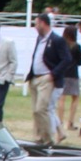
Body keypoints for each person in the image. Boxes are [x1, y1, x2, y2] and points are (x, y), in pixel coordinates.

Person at [26, 12, 62, 146]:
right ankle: (39, 138)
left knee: (41, 109)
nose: (35, 26)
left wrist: (53, 74)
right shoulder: (39, 39)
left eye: (36, 23)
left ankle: (48, 139)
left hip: (46, 78)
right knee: (35, 110)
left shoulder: (57, 40)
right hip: (35, 78)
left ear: (43, 23)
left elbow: (66, 59)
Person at [57, 25, 81, 131]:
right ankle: (70, 122)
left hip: (62, 73)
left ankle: (60, 122)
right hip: (73, 74)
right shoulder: (76, 46)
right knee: (75, 98)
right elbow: (80, 62)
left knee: (61, 98)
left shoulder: (60, 45)